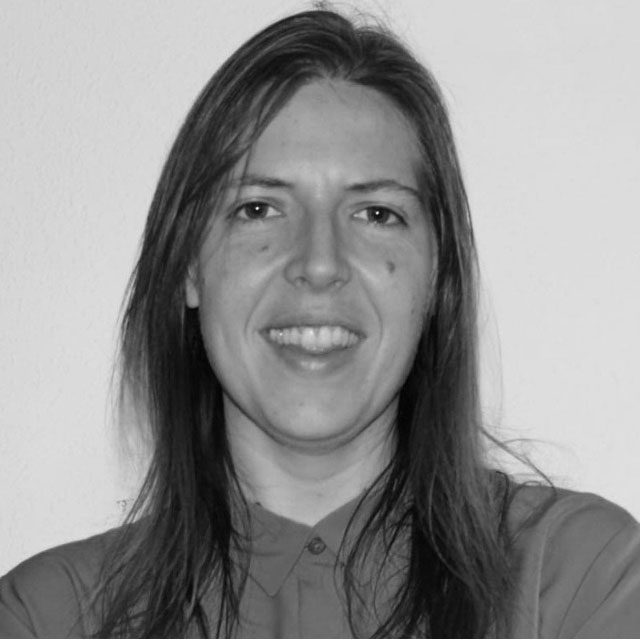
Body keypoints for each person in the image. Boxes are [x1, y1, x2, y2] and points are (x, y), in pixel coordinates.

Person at [1, 8, 639, 639]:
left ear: (436, 277)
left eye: (376, 214)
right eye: (259, 208)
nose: (319, 264)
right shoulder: (46, 618)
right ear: (189, 267)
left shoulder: (583, 580)